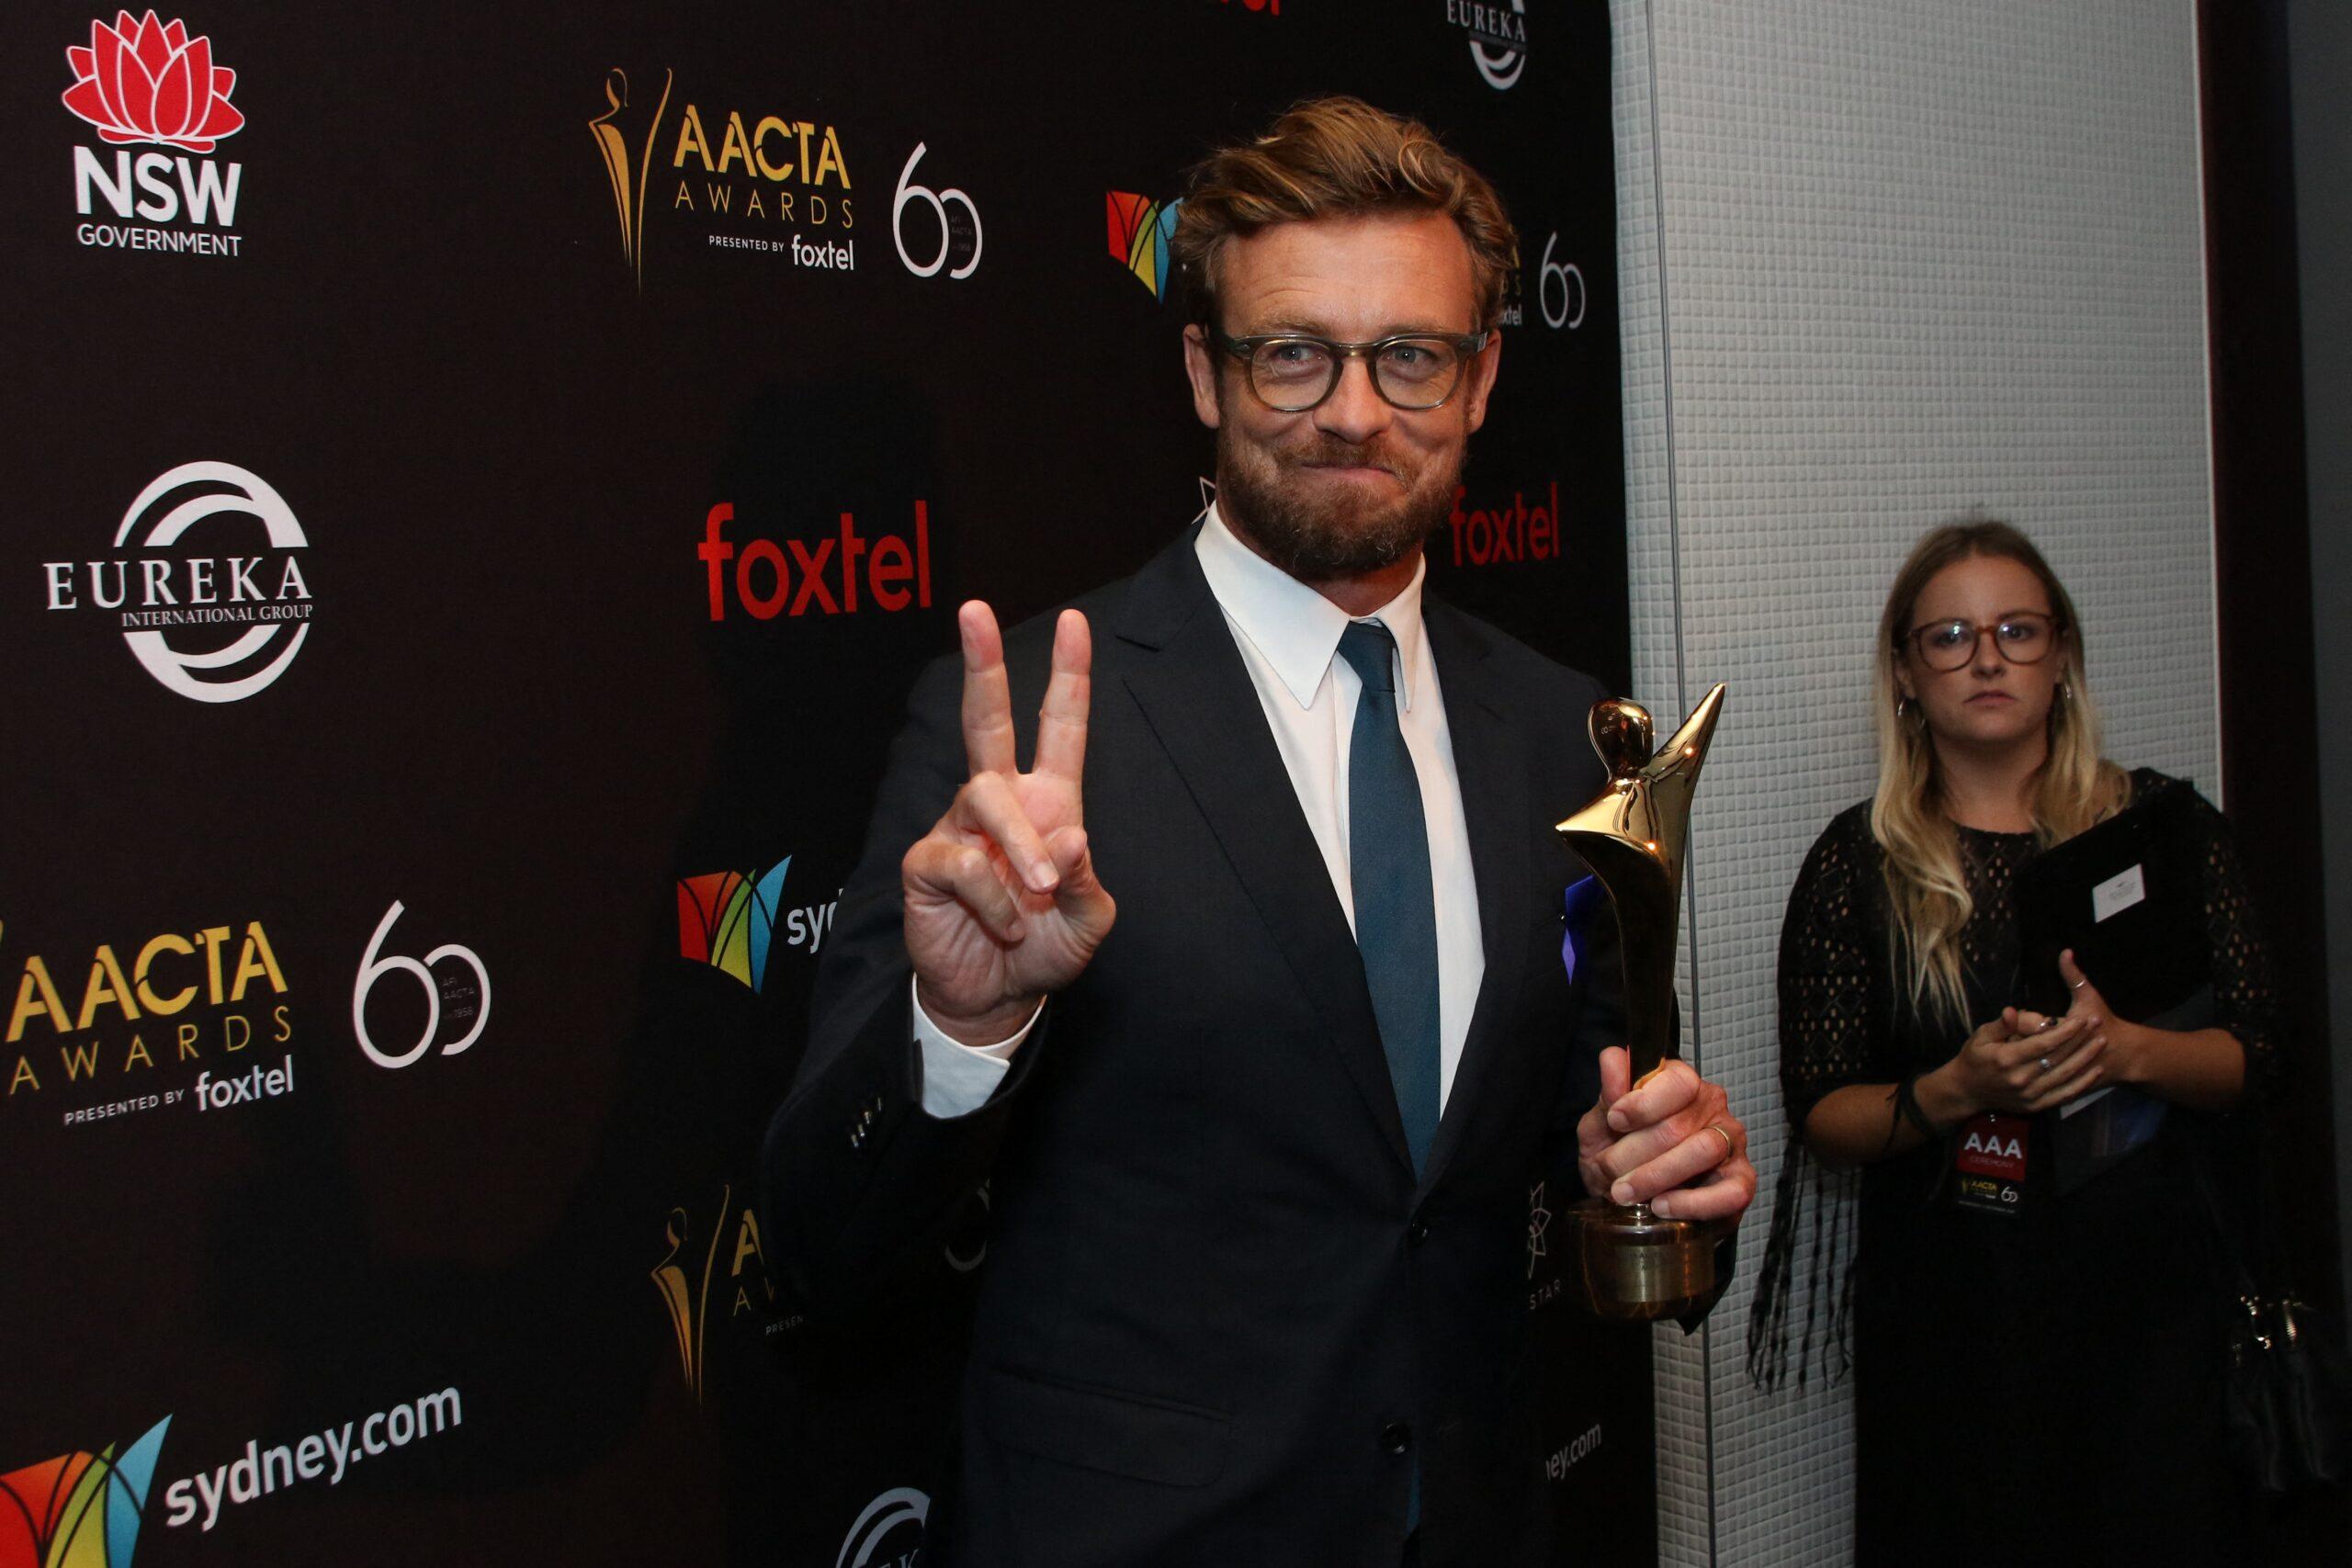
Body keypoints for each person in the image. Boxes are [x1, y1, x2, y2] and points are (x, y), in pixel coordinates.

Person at [761, 97, 1756, 1565]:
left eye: (1410, 355)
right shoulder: (1035, 720)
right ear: (1204, 374)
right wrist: (956, 1030)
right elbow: (817, 1238)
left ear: (1481, 379)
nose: (1354, 410)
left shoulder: (1562, 729)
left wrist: (1661, 1172)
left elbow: (1591, 1152)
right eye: (1294, 352)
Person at [1751, 519, 2278, 1564]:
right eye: (1948, 636)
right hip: (1954, 1331)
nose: (1986, 658)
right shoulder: (1858, 865)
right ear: (1905, 672)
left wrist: (2124, 1051)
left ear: (2063, 657)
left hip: (2155, 1318)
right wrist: (1954, 1088)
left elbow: (2254, 1057)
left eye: (2017, 631)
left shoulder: (2166, 834)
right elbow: (1821, 1115)